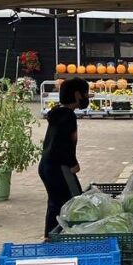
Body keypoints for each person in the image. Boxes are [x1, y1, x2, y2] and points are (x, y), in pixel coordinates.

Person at [38, 77, 89, 239]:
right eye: (85, 93)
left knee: (55, 202)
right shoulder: (68, 117)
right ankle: (58, 238)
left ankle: (50, 237)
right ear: (77, 94)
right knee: (72, 201)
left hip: (47, 165)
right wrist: (72, 163)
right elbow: (63, 144)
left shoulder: (57, 113)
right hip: (59, 166)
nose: (86, 97)